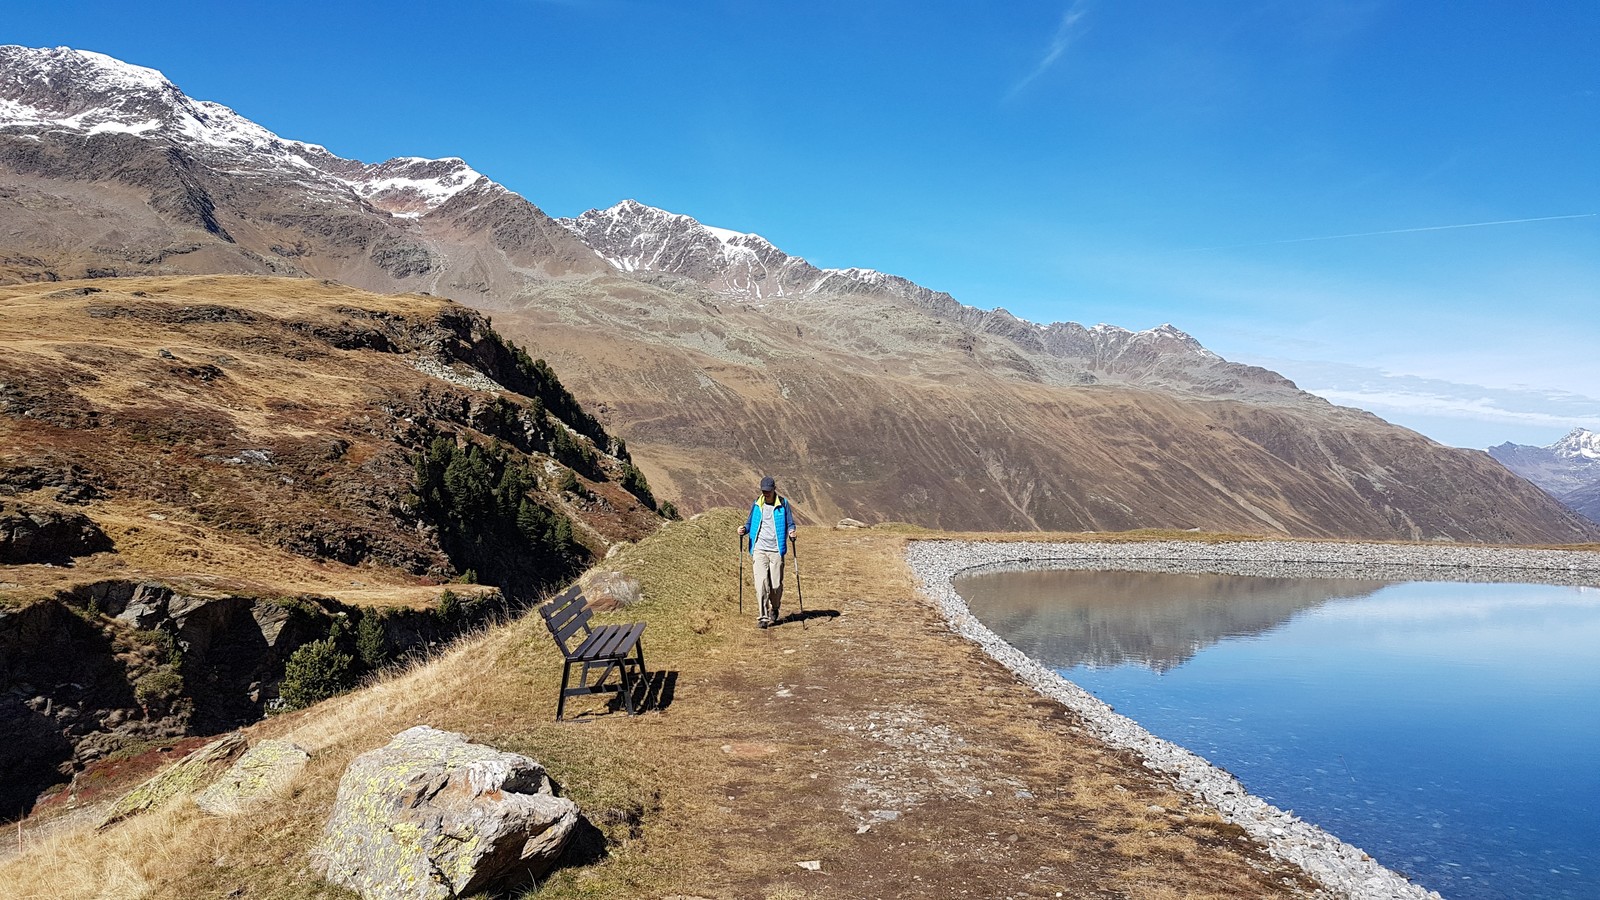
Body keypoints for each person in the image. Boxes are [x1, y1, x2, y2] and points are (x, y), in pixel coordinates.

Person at [738, 475, 796, 628]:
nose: (766, 494)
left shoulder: (783, 504)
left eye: (768, 491)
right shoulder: (757, 504)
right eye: (764, 491)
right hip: (759, 548)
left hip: (776, 550)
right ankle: (763, 617)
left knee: (776, 585)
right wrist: (744, 530)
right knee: (761, 583)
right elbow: (750, 523)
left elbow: (791, 523)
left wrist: (792, 532)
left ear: (774, 489)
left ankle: (775, 608)